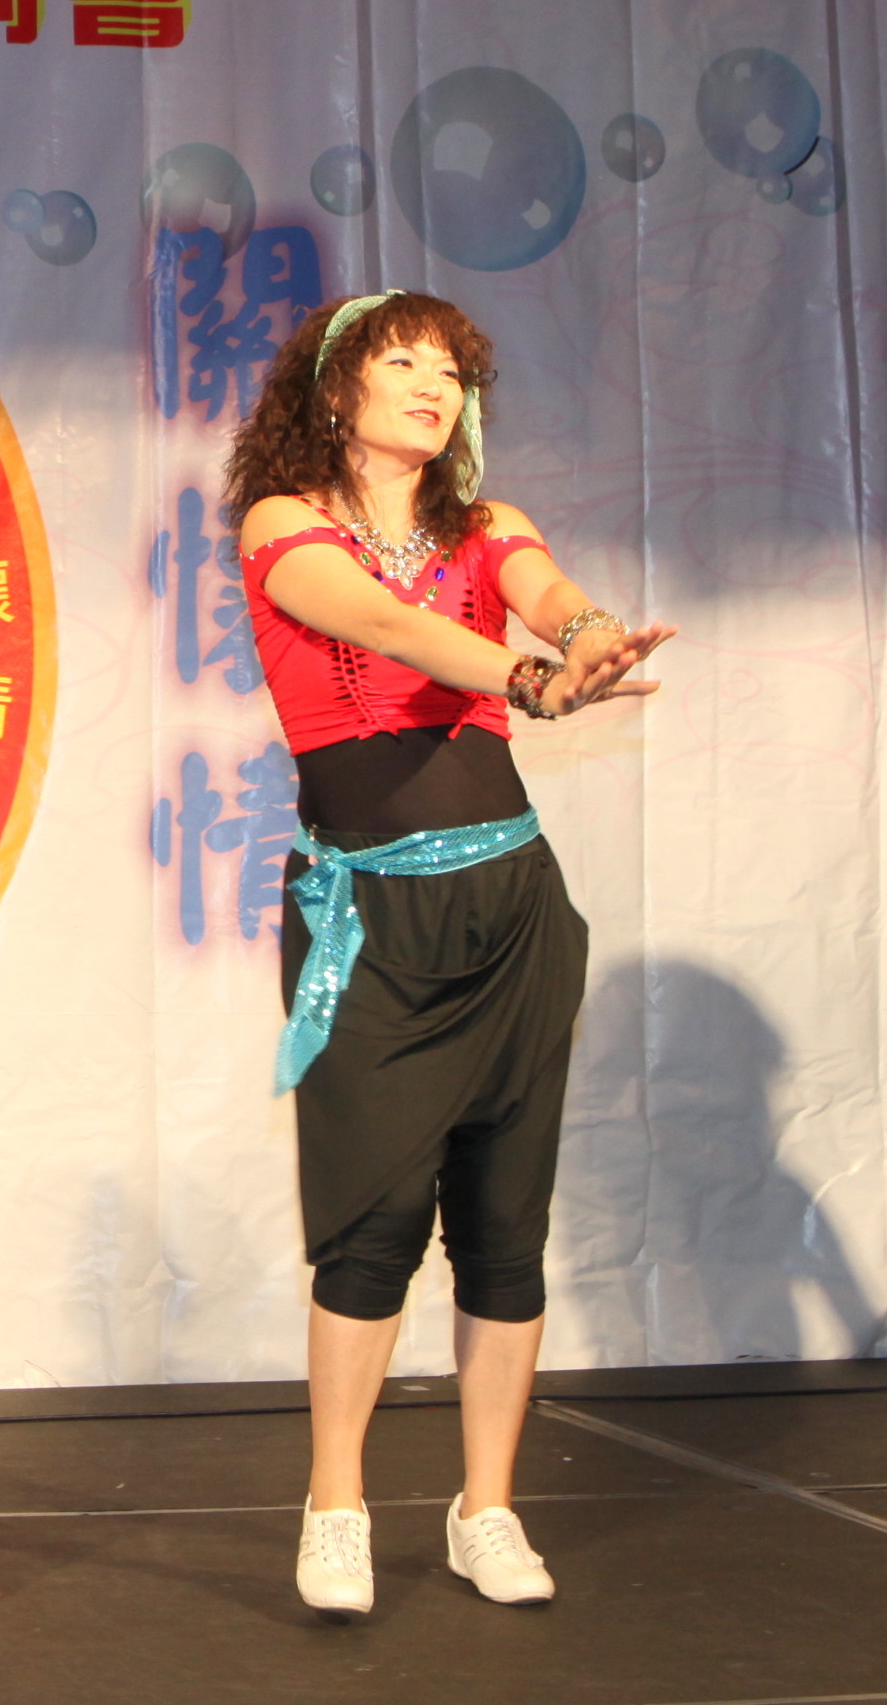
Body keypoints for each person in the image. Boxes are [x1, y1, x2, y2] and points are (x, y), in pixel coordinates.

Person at [226, 289, 672, 1622]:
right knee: (370, 1228)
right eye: (404, 361)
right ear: (336, 389)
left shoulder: (487, 528)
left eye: (453, 370)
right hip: (370, 921)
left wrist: (585, 638)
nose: (435, 385)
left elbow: (547, 590)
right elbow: (385, 624)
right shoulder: (283, 526)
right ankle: (338, 1503)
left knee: (504, 1225)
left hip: (512, 911)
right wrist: (524, 678)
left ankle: (487, 1507)